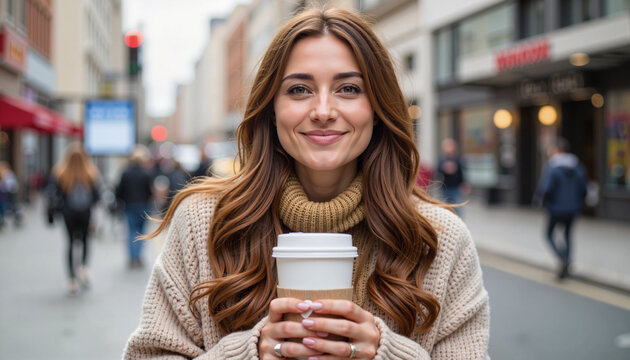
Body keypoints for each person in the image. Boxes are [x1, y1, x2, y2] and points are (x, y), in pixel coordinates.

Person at [124, 8, 489, 359]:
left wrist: (384, 353)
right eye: (299, 90)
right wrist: (250, 353)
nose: (324, 110)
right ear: (271, 109)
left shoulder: (439, 240)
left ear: (377, 110)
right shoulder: (203, 224)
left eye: (348, 88)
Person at [50, 143, 101, 294]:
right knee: (85, 241)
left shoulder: (61, 173)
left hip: (68, 213)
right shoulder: (91, 173)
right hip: (85, 213)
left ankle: (71, 279)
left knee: (70, 244)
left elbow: (54, 195)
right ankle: (84, 267)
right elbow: (96, 197)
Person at [535, 138, 588, 279]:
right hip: (573, 208)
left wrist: (541, 201)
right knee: (567, 235)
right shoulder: (577, 166)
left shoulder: (552, 167)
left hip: (555, 208)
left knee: (548, 234)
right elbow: (584, 187)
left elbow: (546, 188)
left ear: (556, 150)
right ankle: (568, 262)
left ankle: (562, 259)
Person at [116, 145, 154, 268]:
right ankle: (138, 257)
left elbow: (119, 191)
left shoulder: (125, 173)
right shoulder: (146, 173)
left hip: (129, 206)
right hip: (143, 205)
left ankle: (132, 258)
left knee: (131, 232)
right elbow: (150, 191)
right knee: (141, 233)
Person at [436, 138, 468, 215]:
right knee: (445, 207)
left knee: (457, 207)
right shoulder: (442, 159)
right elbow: (438, 171)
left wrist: (464, 184)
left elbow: (461, 173)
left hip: (455, 187)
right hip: (445, 187)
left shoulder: (457, 159)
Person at [0, 161, 20, 229]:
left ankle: (16, 219)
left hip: (7, 194)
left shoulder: (9, 174)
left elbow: (12, 185)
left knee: (9, 207)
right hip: (3, 195)